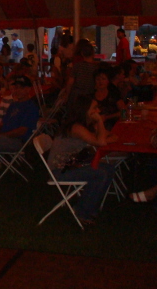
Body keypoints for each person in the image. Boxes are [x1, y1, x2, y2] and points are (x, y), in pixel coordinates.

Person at [46, 95, 117, 225]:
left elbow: (104, 136)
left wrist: (103, 135)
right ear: (85, 110)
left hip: (73, 163)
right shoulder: (76, 128)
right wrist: (100, 121)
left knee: (109, 168)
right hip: (61, 170)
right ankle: (82, 212)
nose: (98, 111)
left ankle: (91, 208)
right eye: (94, 108)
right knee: (100, 173)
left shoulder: (84, 125)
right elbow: (101, 142)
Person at [0, 76, 39, 153]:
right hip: (3, 137)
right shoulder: (13, 105)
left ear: (28, 89)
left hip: (18, 141)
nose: (17, 90)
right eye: (16, 88)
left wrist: (2, 135)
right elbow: (1, 124)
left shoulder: (31, 107)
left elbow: (22, 131)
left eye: (21, 88)